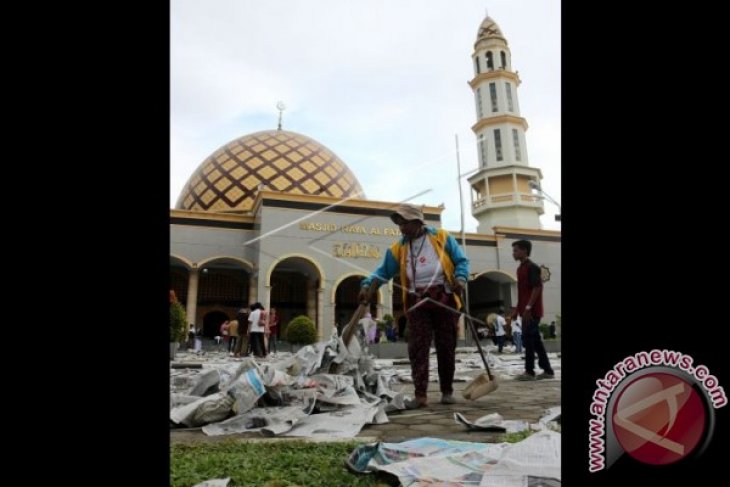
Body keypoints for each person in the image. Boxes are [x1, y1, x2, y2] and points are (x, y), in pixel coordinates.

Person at [358, 203, 469, 409]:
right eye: (399, 224)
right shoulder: (398, 248)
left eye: (405, 223)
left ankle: (447, 391)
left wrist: (461, 279)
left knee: (446, 346)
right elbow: (382, 272)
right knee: (417, 347)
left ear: (418, 222)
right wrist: (367, 285)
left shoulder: (441, 238)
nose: (401, 228)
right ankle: (420, 395)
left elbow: (462, 261)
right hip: (417, 300)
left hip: (443, 297)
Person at [510, 240, 554, 380]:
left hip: (533, 312)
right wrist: (517, 310)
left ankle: (529, 372)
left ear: (524, 251)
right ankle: (547, 370)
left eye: (516, 250)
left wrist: (528, 308)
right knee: (534, 341)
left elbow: (537, 287)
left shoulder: (532, 267)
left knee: (528, 339)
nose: (514, 253)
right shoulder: (519, 269)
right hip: (525, 312)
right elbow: (522, 293)